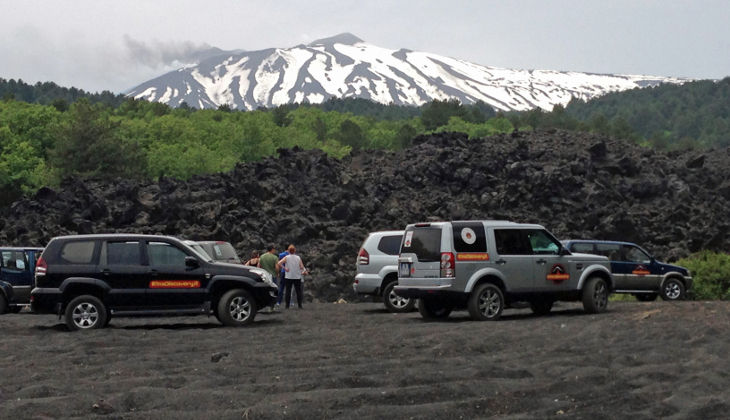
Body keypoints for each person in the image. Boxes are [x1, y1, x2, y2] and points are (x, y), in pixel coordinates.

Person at [258, 245, 279, 312]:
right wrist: (277, 273)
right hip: (272, 275)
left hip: (264, 275)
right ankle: (271, 306)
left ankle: (263, 305)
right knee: (273, 291)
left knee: (264, 290)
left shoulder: (262, 256)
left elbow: (259, 266)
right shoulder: (274, 257)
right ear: (272, 249)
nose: (275, 250)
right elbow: (277, 267)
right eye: (274, 249)